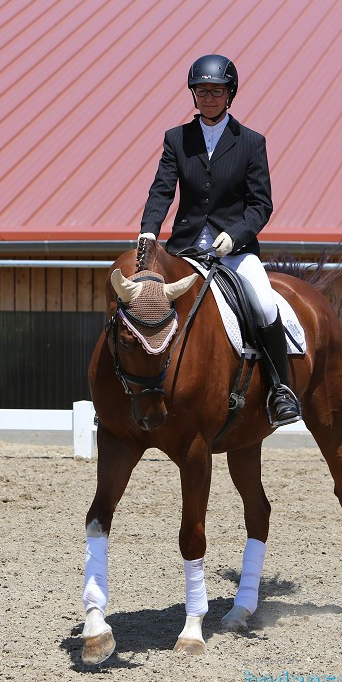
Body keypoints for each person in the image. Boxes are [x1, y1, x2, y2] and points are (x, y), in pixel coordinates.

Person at [139, 53, 300, 426]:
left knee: (263, 304)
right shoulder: (176, 139)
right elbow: (162, 190)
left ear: (230, 94)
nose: (209, 97)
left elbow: (262, 205)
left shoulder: (251, 142)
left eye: (216, 90)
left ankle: (280, 390)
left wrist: (235, 235)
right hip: (186, 247)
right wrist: (149, 229)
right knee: (142, 301)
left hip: (234, 251)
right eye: (202, 91)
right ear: (193, 95)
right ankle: (131, 391)